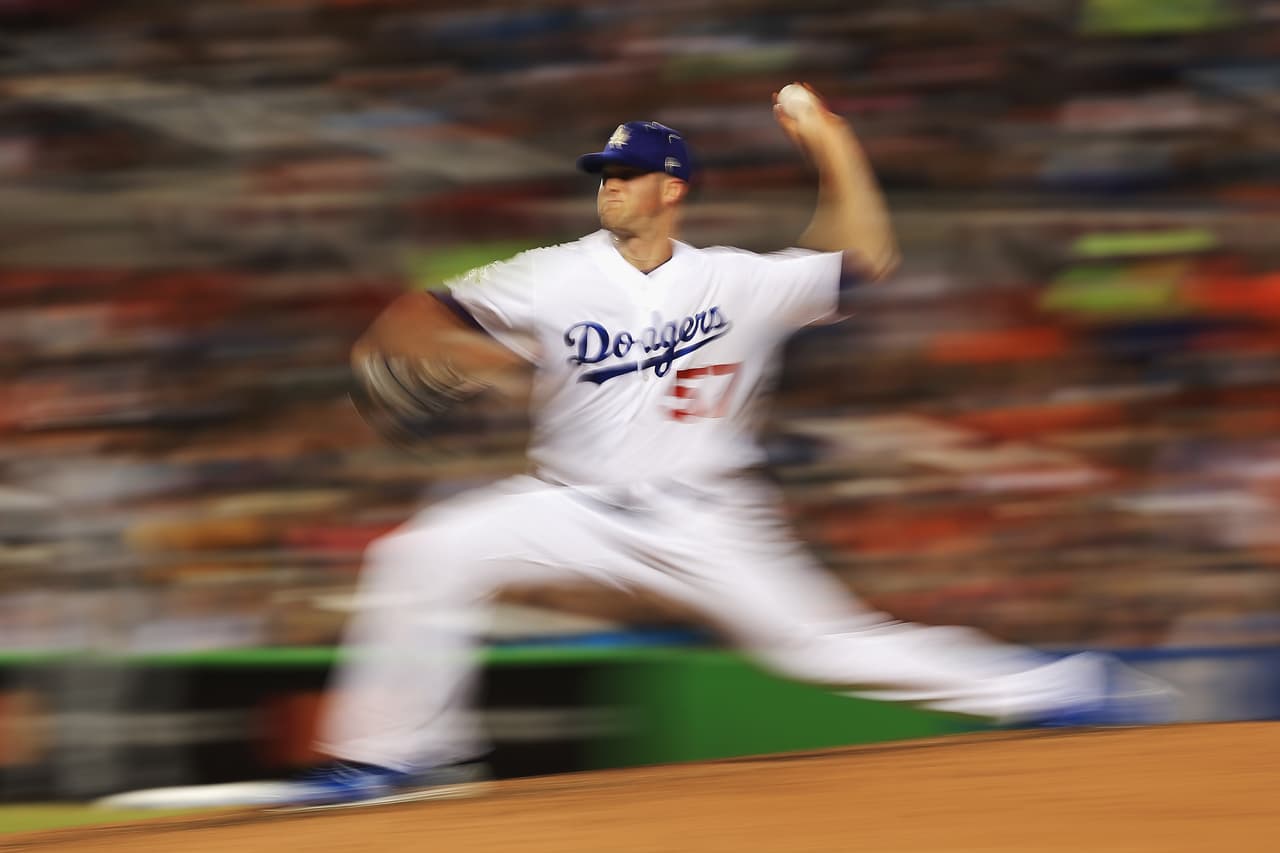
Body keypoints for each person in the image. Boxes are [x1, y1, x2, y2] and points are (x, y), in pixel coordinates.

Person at [285, 86, 1173, 807]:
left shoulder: (737, 280)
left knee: (825, 646)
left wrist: (830, 138)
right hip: (575, 506)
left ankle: (1062, 685)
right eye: (606, 173)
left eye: (630, 175)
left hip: (708, 519)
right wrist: (434, 353)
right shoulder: (553, 269)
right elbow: (421, 312)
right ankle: (396, 756)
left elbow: (864, 255)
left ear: (673, 188)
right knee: (425, 552)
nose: (612, 186)